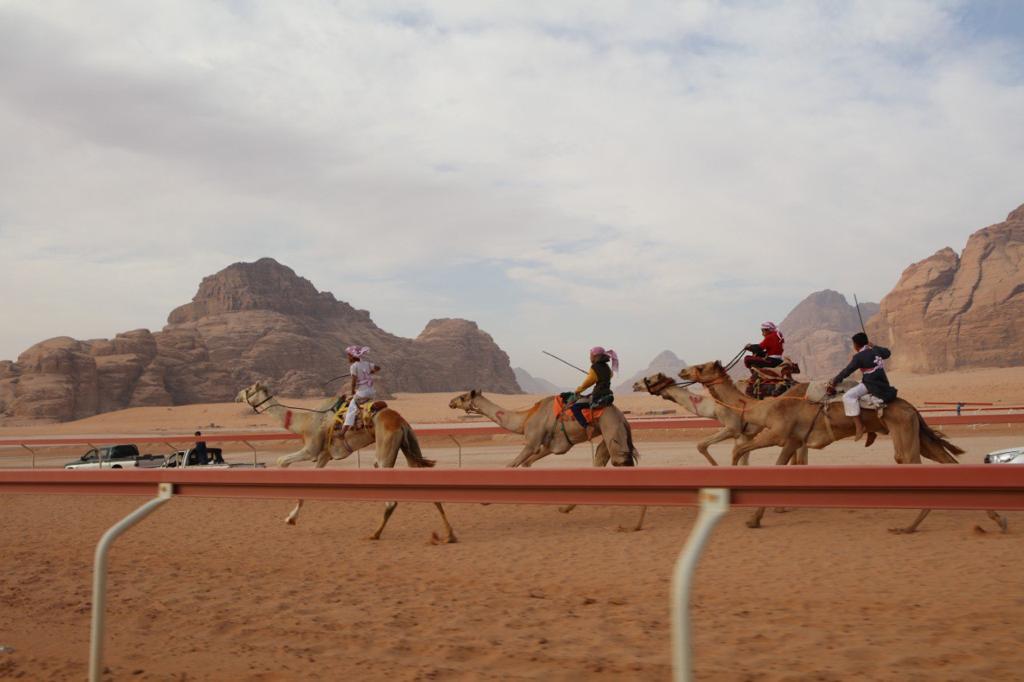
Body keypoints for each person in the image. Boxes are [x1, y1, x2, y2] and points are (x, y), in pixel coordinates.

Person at [826, 332, 897, 442]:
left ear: (856, 345)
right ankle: (871, 430)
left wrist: (835, 380)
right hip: (883, 383)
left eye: (853, 344)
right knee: (857, 387)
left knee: (848, 397)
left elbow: (847, 371)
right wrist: (873, 346)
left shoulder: (859, 357)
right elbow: (887, 353)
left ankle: (859, 426)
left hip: (871, 385)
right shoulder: (876, 351)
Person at [335, 345, 381, 445]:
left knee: (351, 407)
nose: (348, 357)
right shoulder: (367, 364)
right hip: (371, 392)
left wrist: (352, 391)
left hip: (362, 393)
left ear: (353, 356)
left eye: (349, 355)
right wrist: (369, 372)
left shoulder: (354, 366)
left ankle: (343, 432)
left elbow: (353, 381)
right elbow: (378, 368)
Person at [569, 346, 619, 429]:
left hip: (598, 396)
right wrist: (597, 376)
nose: (590, 357)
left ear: (596, 356)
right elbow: (610, 375)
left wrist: (578, 390)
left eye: (591, 355)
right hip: (608, 395)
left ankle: (587, 427)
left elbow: (586, 384)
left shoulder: (594, 368)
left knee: (575, 407)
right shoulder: (607, 366)